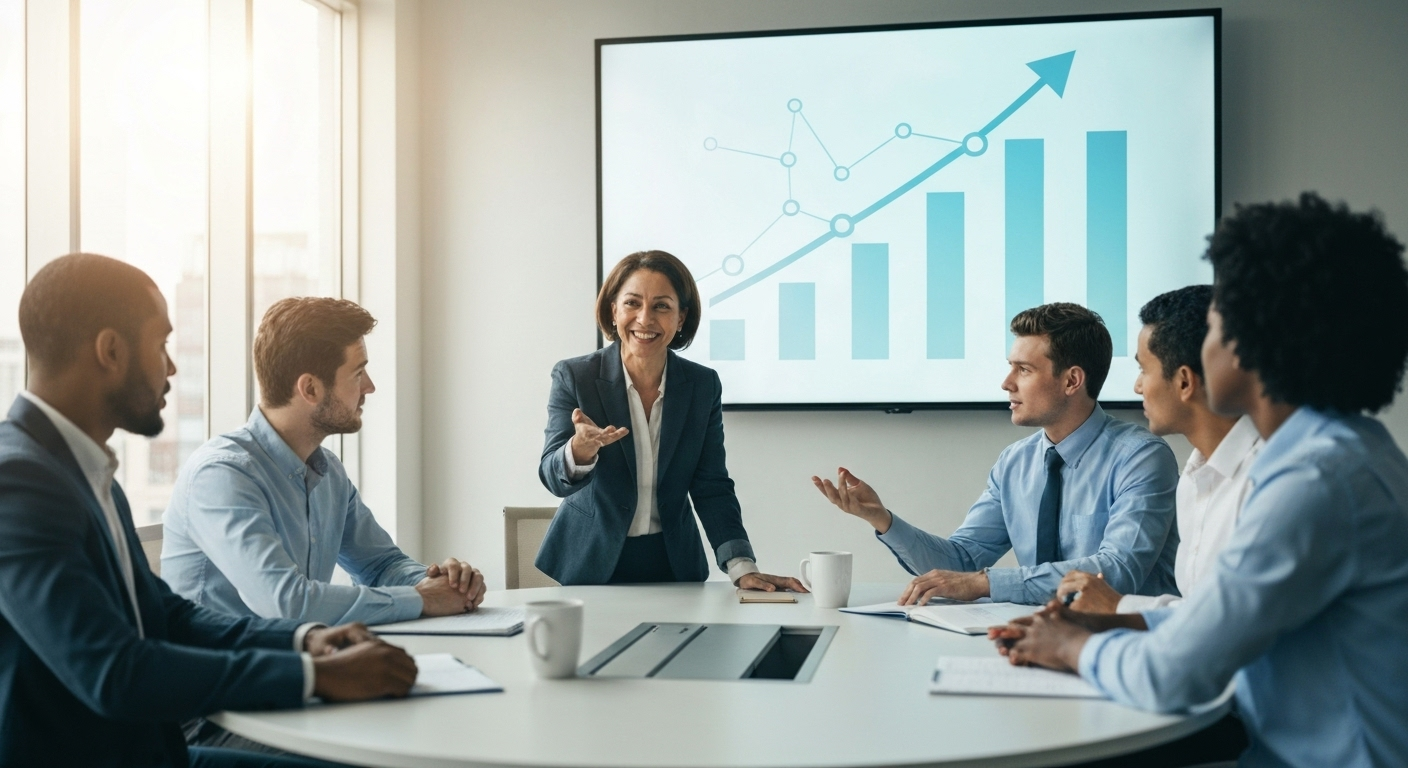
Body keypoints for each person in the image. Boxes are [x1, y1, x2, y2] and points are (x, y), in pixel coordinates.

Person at [990, 193, 1408, 767]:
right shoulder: (1336, 453)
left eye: (1214, 323)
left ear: (1254, 340)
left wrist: (1073, 646)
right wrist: (1117, 620)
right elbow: (1223, 614)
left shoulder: (1316, 481)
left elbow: (1173, 675)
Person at [0, 254, 418, 768]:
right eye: (162, 345)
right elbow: (113, 670)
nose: (172, 367)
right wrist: (317, 676)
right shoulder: (17, 482)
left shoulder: (84, 470)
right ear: (110, 351)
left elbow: (166, 616)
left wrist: (306, 639)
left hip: (152, 750)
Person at [813, 303, 1180, 606]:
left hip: (1129, 641)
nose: (1007, 383)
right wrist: (884, 519)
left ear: (1071, 381)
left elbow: (1115, 571)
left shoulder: (1142, 458)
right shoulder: (1014, 463)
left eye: (1023, 369)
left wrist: (987, 583)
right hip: (1042, 638)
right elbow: (961, 562)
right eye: (1010, 367)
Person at [163, 297, 485, 627]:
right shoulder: (221, 476)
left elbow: (379, 566)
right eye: (358, 373)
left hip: (299, 663)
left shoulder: (327, 471)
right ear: (311, 388)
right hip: (221, 673)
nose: (369, 387)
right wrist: (422, 598)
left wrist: (444, 583)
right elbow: (287, 602)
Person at [537, 250, 803, 589]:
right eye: (632, 303)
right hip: (589, 566)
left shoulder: (702, 385)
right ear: (613, 310)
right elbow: (552, 476)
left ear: (680, 318)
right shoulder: (575, 376)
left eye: (661, 306)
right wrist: (579, 451)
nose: (645, 319)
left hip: (674, 564)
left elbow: (711, 486)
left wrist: (742, 567)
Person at [1058, 285, 1261, 614]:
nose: (1138, 386)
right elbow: (1198, 614)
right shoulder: (1194, 479)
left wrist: (1116, 609)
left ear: (1184, 382)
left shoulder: (1266, 477)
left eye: (1143, 369)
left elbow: (1235, 628)